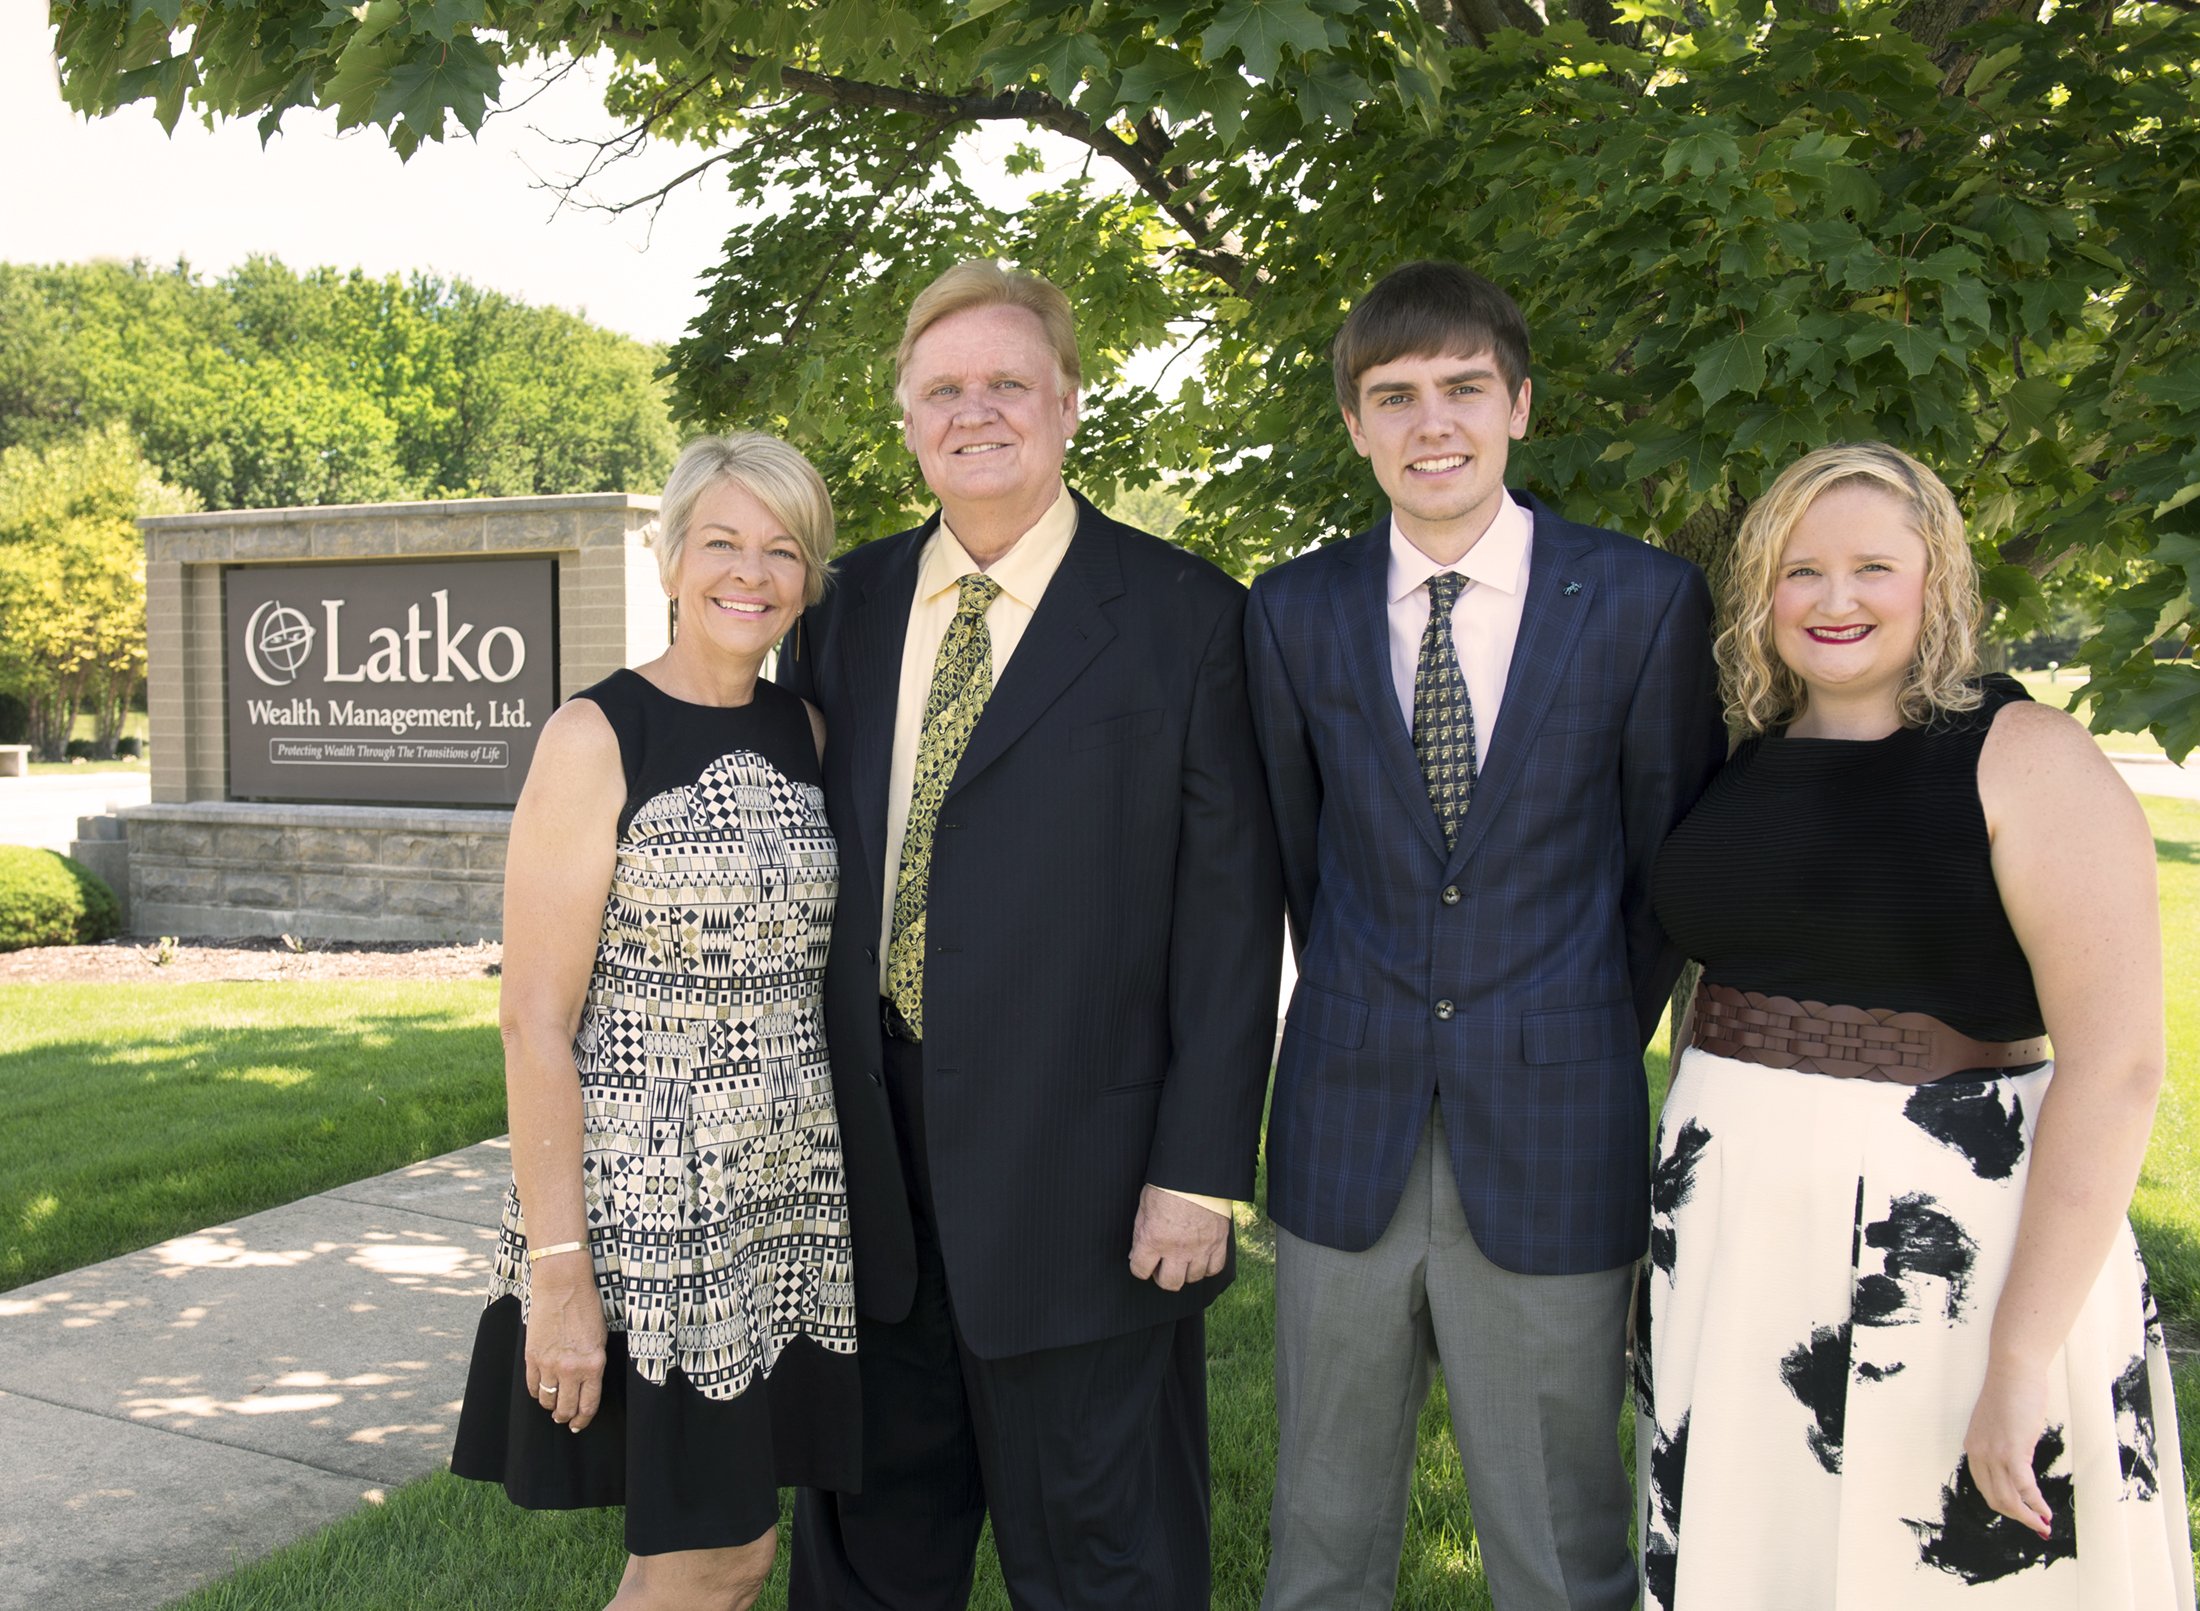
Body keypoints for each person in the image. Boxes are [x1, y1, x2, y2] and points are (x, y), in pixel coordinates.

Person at [776, 259, 1283, 1610]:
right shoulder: (845, 610)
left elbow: (1233, 920)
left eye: (1008, 380)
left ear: (1068, 402)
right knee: (869, 1569)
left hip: (1092, 1191)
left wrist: (1198, 1167)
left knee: (1107, 1569)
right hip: (869, 1183)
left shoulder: (1186, 616)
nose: (977, 409)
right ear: (907, 423)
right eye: (944, 388)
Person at [1242, 260, 1727, 1610]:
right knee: (1321, 1529)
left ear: (1521, 405)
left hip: (1556, 1125)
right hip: (1346, 1125)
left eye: (1463, 387)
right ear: (1354, 424)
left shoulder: (1639, 603)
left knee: (1562, 1538)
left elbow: (1663, 878)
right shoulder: (1291, 613)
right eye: (1394, 395)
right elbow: (1297, 859)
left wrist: (1564, 1018)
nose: (1431, 422)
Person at [1640, 441, 2195, 1607]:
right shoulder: (1743, 762)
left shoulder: (2024, 757)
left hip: (1950, 1250)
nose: (1833, 600)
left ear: (1935, 583)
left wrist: (2021, 1353)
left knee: (1940, 1568)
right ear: (1763, 593)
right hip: (1736, 1241)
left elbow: (2120, 1068)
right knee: (1758, 1556)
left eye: (1871, 568)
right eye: (1800, 572)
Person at [450, 434, 859, 1611]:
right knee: (714, 1561)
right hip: (650, 1214)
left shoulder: (808, 734)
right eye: (723, 541)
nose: (753, 571)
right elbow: (532, 1021)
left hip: (782, 1203)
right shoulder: (596, 736)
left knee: (725, 1554)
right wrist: (561, 1278)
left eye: (783, 549)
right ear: (672, 557)